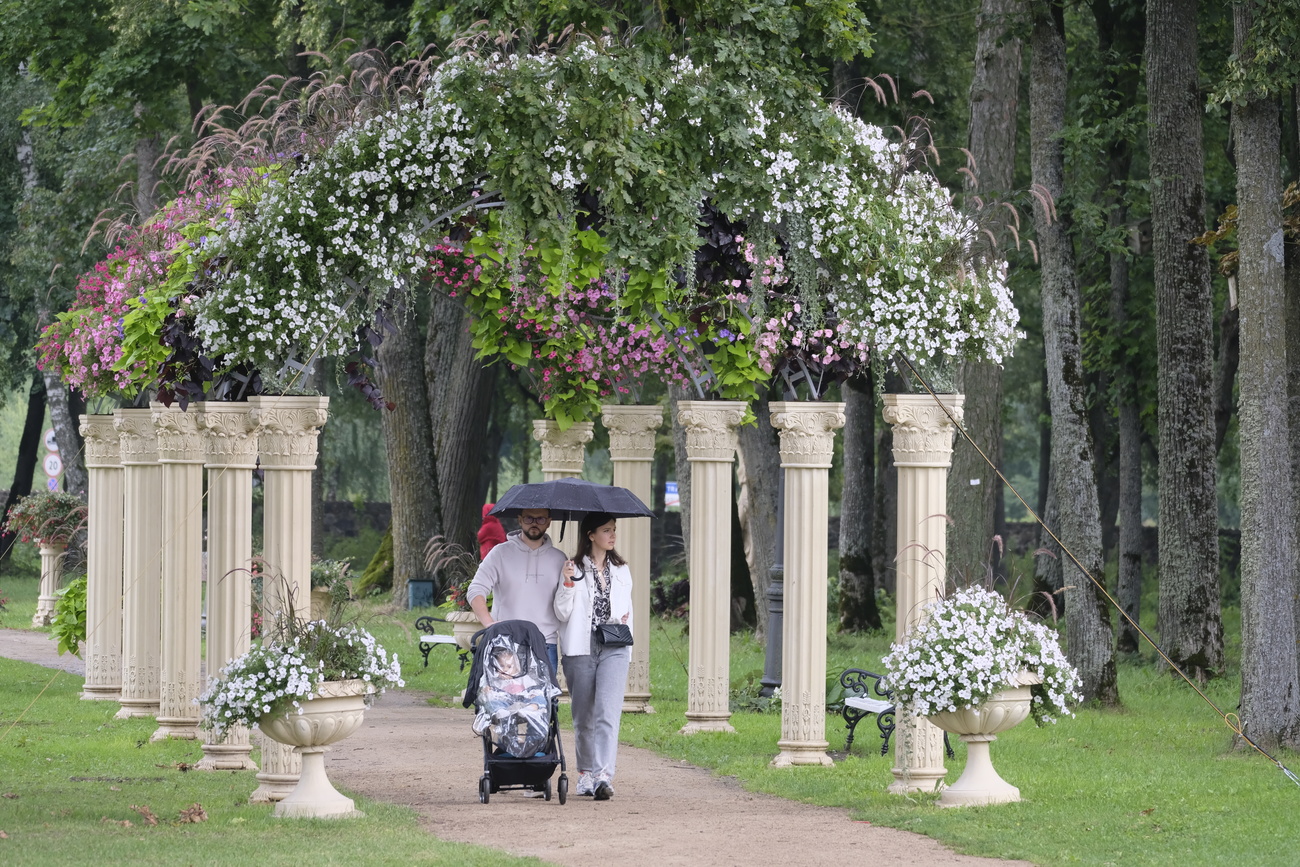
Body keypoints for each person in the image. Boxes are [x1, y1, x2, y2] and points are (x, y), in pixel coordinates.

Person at [554, 512, 632, 801]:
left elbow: (629, 610)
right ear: (590, 535)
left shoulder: (622, 570)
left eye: (613, 530)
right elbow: (561, 612)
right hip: (581, 647)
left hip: (614, 645)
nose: (612, 535)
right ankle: (585, 774)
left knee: (608, 713)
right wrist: (567, 584)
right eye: (606, 530)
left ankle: (603, 776)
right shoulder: (573, 569)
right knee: (584, 714)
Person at [467, 507, 567, 678]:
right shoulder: (500, 553)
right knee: (505, 700)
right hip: (506, 641)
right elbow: (476, 589)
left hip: (544, 642)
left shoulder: (559, 559)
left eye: (541, 519)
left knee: (543, 702)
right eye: (529, 518)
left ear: (549, 522)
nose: (534, 523)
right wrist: (489, 623)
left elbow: (565, 603)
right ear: (519, 520)